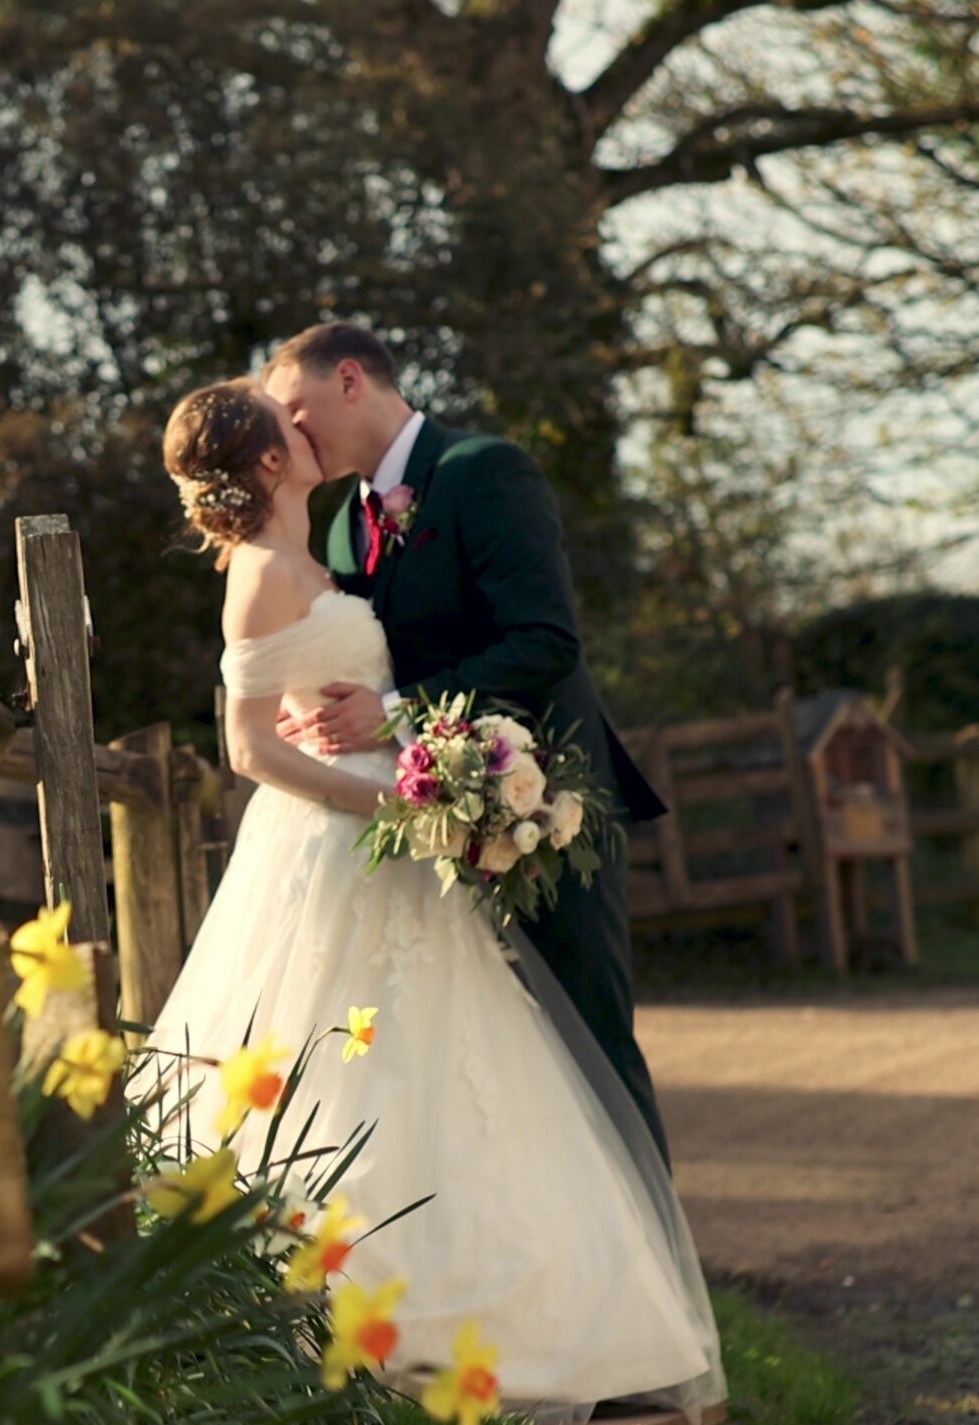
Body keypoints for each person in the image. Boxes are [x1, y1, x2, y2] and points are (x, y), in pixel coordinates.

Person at [145, 376, 720, 1418]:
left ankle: (488, 1323)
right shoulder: (265, 573)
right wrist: (384, 813)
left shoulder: (323, 554)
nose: (306, 427)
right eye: (288, 424)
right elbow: (244, 747)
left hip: (399, 842)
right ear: (271, 463)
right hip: (338, 849)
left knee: (440, 1071)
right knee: (355, 1071)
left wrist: (422, 771)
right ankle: (362, 1331)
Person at [261, 322, 672, 1166]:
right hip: (435, 831)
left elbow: (546, 640)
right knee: (498, 1073)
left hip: (547, 808)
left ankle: (658, 1281)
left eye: (296, 413)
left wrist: (397, 711)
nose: (290, 437)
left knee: (587, 1044)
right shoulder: (342, 523)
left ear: (349, 380)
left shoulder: (485, 470)